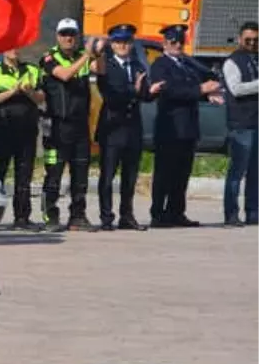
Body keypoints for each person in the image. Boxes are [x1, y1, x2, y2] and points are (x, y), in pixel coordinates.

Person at [148, 24, 222, 228]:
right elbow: (170, 90)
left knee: (182, 173)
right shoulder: (160, 65)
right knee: (164, 173)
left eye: (181, 41)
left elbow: (208, 77)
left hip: (188, 127)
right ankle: (158, 213)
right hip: (170, 127)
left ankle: (176, 212)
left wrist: (209, 91)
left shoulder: (187, 64)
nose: (178, 45)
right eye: (173, 42)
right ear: (164, 44)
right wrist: (199, 89)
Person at [38, 18, 98, 231]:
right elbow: (64, 75)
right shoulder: (48, 58)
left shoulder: (83, 56)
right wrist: (86, 56)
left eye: (72, 33)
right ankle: (50, 217)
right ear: (57, 36)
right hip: (56, 127)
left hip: (80, 126)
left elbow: (101, 70)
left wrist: (101, 51)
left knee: (80, 175)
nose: (68, 38)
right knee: (54, 173)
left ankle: (78, 216)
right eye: (64, 34)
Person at [93, 24, 153, 231]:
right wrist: (134, 90)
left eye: (126, 42)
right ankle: (106, 217)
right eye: (118, 42)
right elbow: (112, 95)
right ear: (112, 44)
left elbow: (145, 94)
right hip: (112, 126)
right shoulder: (106, 66)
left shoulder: (137, 65)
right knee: (108, 175)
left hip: (132, 127)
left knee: (130, 176)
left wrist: (149, 91)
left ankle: (127, 215)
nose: (122, 46)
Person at [0, 49, 44, 229]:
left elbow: (40, 98)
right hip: (2, 130)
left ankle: (22, 217)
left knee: (24, 176)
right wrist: (12, 91)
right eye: (11, 47)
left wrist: (29, 92)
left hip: (27, 131)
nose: (15, 51)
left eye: (18, 47)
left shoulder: (32, 70)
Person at [221, 21, 259, 227]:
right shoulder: (233, 61)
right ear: (240, 39)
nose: (252, 43)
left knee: (256, 171)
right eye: (248, 40)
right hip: (241, 123)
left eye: (256, 40)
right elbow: (236, 89)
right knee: (237, 172)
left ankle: (253, 212)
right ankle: (231, 214)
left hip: (257, 122)